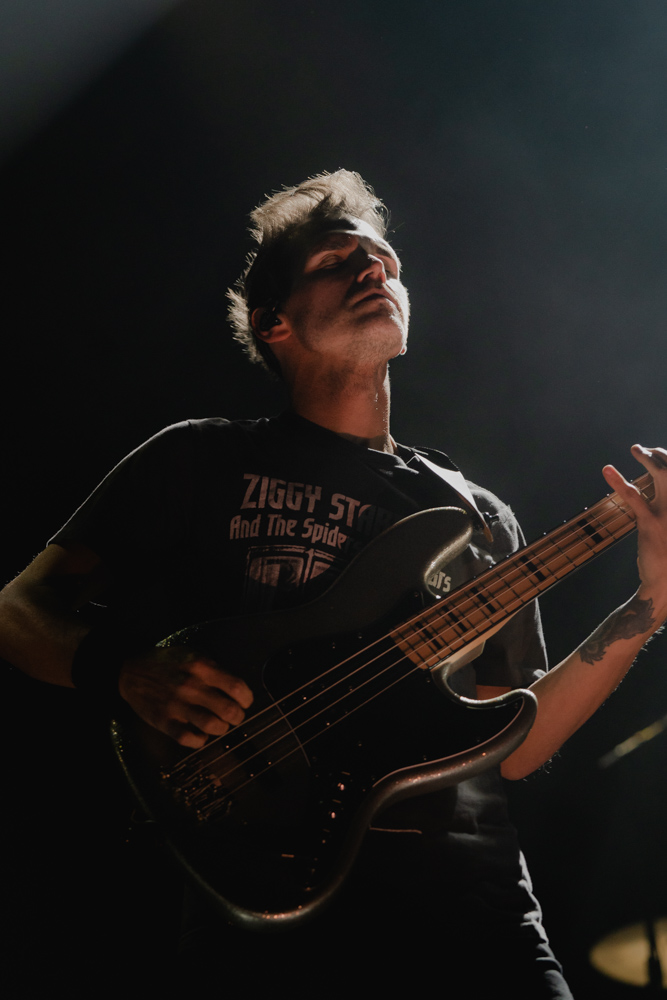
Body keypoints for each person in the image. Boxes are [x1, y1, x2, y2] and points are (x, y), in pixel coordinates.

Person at [1, 170, 666, 997]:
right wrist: (128, 671)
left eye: (384, 261)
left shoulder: (478, 515)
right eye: (335, 262)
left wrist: (649, 603)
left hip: (477, 912)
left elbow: (519, 746)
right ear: (271, 321)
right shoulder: (198, 458)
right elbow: (19, 610)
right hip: (262, 898)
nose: (373, 269)